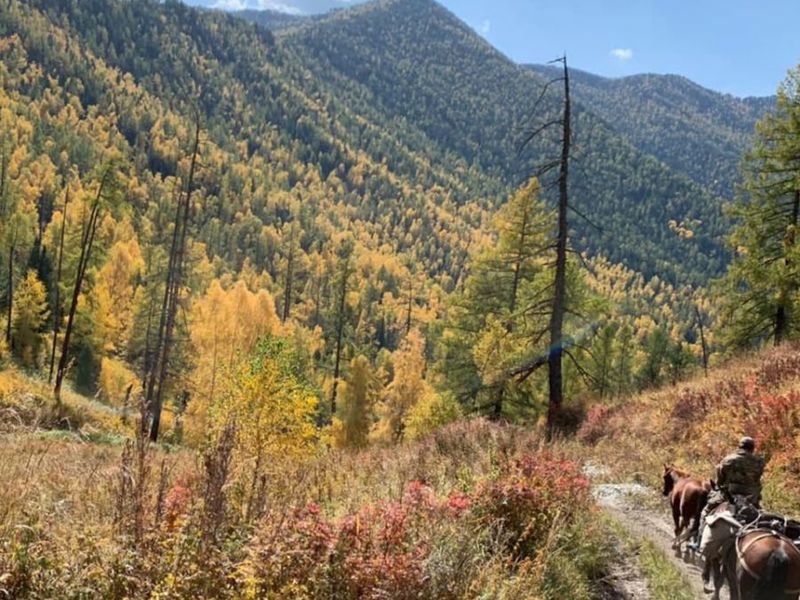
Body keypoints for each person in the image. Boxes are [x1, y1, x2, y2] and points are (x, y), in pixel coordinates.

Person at [695, 436, 766, 592]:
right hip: (751, 500)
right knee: (763, 517)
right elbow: (757, 480)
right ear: (752, 448)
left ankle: (699, 541)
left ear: (739, 446)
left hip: (729, 498)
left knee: (705, 513)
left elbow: (720, 482)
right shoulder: (759, 462)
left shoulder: (728, 460)